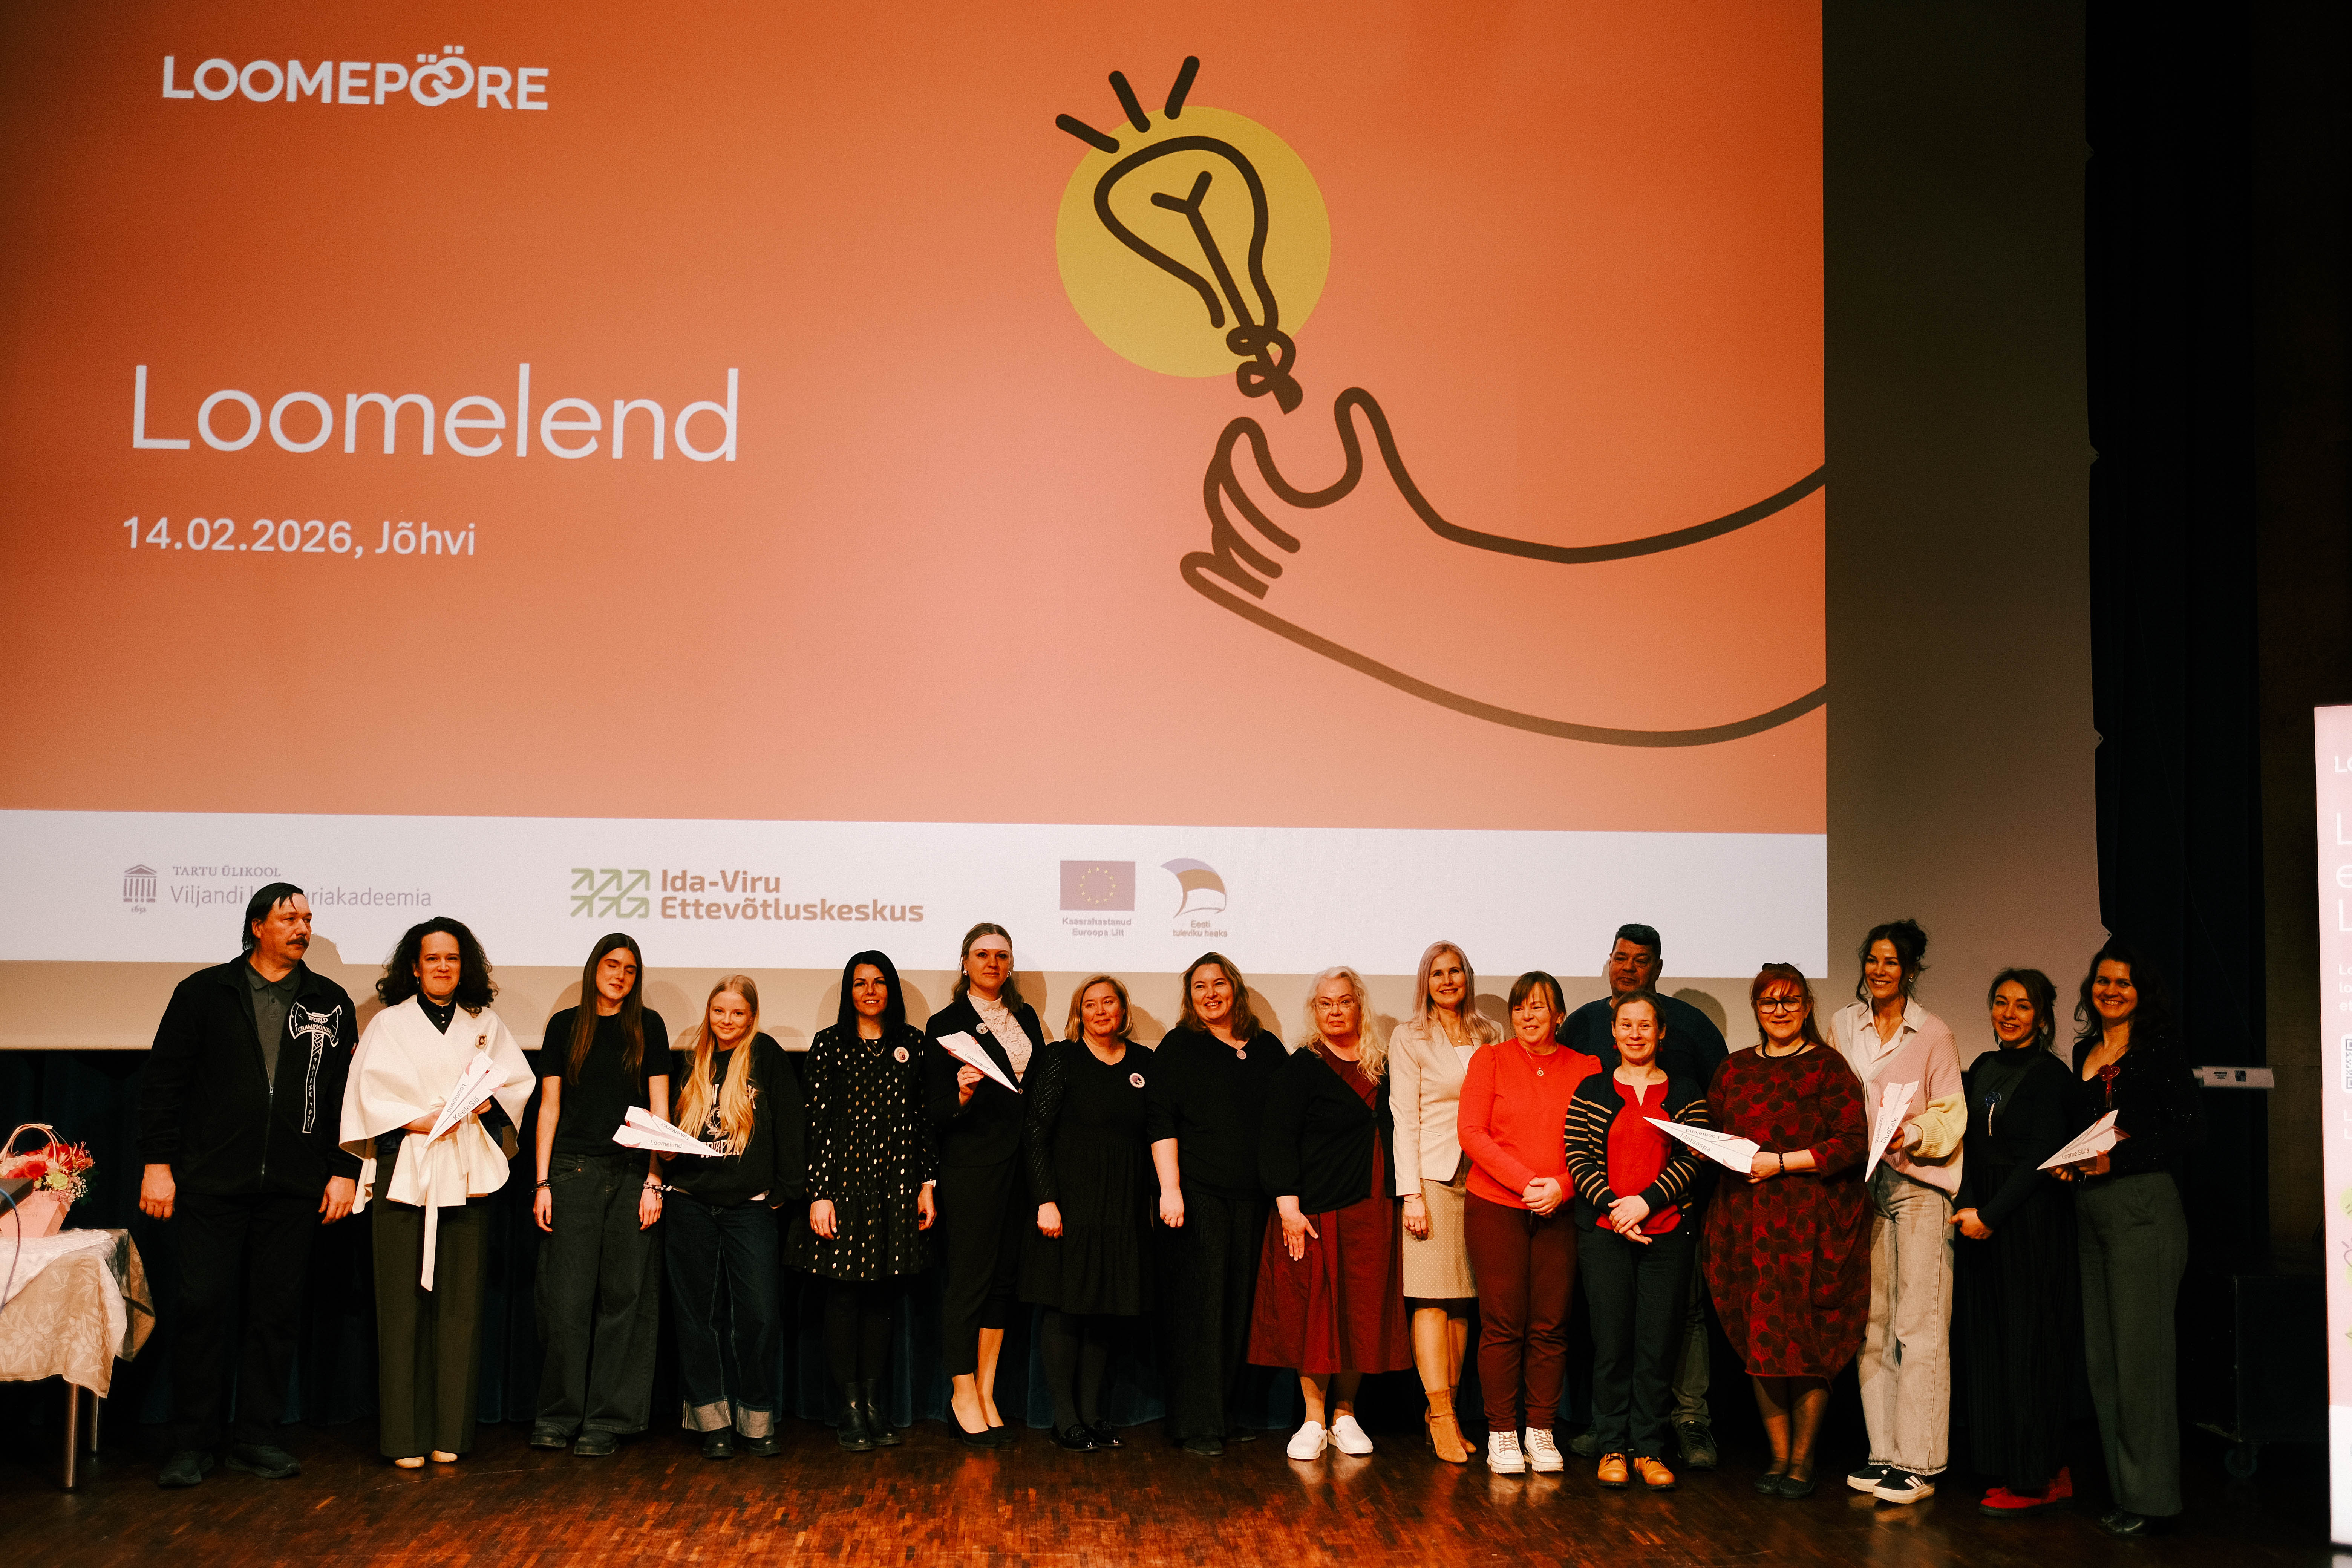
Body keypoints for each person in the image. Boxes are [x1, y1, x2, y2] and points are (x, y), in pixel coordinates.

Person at [138, 883, 360, 1488]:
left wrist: (346, 1170)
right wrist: (157, 1163)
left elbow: (347, 1098)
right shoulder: (204, 993)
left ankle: (257, 1437)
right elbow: (164, 1083)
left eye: (308, 918)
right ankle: (192, 1442)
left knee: (275, 1314)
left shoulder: (331, 1001)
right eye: (289, 918)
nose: (303, 928)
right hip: (212, 1182)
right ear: (257, 925)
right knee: (202, 1309)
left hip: (294, 1185)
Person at [339, 918, 534, 1468]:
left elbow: (515, 1085)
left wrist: (487, 1105)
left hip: (467, 1167)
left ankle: (451, 1430)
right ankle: (404, 1438)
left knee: (461, 1305)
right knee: (401, 1306)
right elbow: (365, 1093)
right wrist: (414, 1119)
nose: (443, 966)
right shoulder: (389, 1024)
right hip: (408, 1165)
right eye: (432, 958)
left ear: (463, 964)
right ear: (415, 966)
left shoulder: (484, 1023)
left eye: (452, 958)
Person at [1558, 923, 1731, 1467]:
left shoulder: (1685, 1090)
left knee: (1658, 1346)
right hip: (1605, 1230)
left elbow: (1694, 1155)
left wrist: (1647, 1203)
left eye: (1645, 1026)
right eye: (1627, 1026)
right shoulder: (1591, 1089)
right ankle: (1613, 1444)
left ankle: (1650, 1449)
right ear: (1613, 1033)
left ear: (1662, 1033)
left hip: (1668, 1230)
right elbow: (1578, 1156)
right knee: (1611, 1344)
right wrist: (1617, 1207)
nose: (1636, 1034)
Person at [2052, 939, 2202, 1538]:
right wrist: (2070, 1162)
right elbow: (2086, 1132)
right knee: (2104, 1360)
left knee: (2143, 1361)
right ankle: (2125, 1491)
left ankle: (2153, 1498)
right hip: (2091, 1210)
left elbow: (2191, 1131)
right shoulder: (2084, 1049)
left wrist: (2121, 1159)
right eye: (2103, 980)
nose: (2111, 990)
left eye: (2123, 982)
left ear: (2142, 993)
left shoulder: (2159, 1051)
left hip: (2144, 1207)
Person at [1703, 963, 1869, 1500]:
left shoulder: (1828, 1066)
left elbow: (1853, 1143)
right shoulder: (1733, 1069)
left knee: (1808, 1342)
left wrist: (1781, 1162)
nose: (1780, 1011)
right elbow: (1713, 1136)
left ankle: (1803, 1460)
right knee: (1762, 1340)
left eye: (1790, 1000)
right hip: (1747, 1224)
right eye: (1769, 1002)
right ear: (1756, 1009)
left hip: (1810, 1225)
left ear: (1807, 1007)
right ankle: (1777, 1457)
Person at [1827, 919, 1965, 1506]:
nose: (1879, 970)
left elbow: (1951, 1114)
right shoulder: (1843, 1025)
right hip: (1863, 1188)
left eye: (1891, 962)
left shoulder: (1933, 1033)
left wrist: (1912, 1133)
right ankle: (1885, 1451)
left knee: (1919, 1324)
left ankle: (1920, 1463)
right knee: (1875, 1325)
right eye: (1873, 960)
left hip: (1917, 1185)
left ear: (1909, 971)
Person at [1249, 966, 1412, 1460]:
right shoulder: (1302, 1067)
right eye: (1326, 1003)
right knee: (1316, 1314)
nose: (1336, 1010)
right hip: (1317, 1209)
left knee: (1360, 1309)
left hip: (1372, 1206)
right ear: (1314, 1010)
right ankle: (1313, 1419)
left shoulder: (1383, 1065)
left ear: (1359, 1006)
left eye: (1344, 1001)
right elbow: (1276, 1139)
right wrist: (1288, 1205)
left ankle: (1345, 1414)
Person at [530, 933, 670, 1456]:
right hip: (574, 1170)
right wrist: (542, 1182)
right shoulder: (565, 1026)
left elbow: (659, 1111)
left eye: (630, 970)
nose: (620, 976)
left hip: (632, 1173)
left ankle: (608, 1421)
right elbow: (549, 1108)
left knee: (625, 1300)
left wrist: (655, 1180)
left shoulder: (648, 1026)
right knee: (566, 1301)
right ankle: (558, 1415)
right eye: (612, 965)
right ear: (594, 968)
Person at [1455, 971, 1600, 1475]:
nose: (1527, 1015)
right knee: (1502, 1324)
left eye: (1539, 1006)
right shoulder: (1490, 1059)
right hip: (1497, 1205)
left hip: (1562, 1206)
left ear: (1560, 1015)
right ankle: (1502, 1432)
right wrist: (1526, 1183)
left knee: (1550, 1325)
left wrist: (1562, 1186)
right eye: (1519, 1006)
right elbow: (1472, 1133)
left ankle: (1540, 1428)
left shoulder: (1587, 1067)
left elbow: (1596, 1142)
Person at [792, 951, 936, 1452]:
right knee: (844, 1297)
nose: (870, 991)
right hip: (842, 1187)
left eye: (878, 982)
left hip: (896, 1187)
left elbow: (923, 1121)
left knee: (880, 1296)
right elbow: (813, 1124)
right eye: (860, 983)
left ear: (891, 989)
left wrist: (927, 1184)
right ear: (848, 991)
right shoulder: (829, 1044)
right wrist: (819, 1194)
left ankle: (873, 1406)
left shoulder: (912, 1044)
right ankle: (849, 1409)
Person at [1952, 968, 2082, 1517]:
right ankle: (2010, 1464)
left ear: (2043, 1017)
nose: (2009, 1014)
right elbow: (1970, 1143)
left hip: (2028, 1222)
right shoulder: (1983, 1065)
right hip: (1981, 1219)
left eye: (2023, 1005)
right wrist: (1969, 1209)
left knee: (2030, 1348)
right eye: (2001, 1002)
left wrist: (1992, 1215)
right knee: (1991, 1348)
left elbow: (2040, 1157)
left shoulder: (2051, 1075)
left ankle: (2036, 1478)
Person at [1147, 951, 1287, 1456]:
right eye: (1200, 986)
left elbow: (1285, 1121)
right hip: (1197, 1197)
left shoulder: (1267, 1048)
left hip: (1253, 1200)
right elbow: (1160, 1120)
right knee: (1199, 1311)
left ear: (1236, 989)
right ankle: (1195, 1423)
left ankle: (1224, 1415)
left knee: (1238, 1309)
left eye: (1219, 983)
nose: (1211, 994)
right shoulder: (1180, 1046)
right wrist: (1170, 1189)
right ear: (1191, 997)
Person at [662, 975, 806, 1459]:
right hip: (689, 1203)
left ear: (752, 1016)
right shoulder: (691, 1060)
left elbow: (791, 1123)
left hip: (749, 1207)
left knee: (759, 1315)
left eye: (738, 1012)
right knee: (698, 1317)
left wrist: (784, 1191)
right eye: (719, 1011)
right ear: (709, 1012)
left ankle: (757, 1420)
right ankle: (713, 1423)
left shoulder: (766, 1055)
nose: (727, 1020)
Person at [924, 922, 1048, 1446]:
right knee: (969, 1281)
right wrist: (961, 1095)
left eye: (1001, 955)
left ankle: (987, 1390)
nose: (992, 963)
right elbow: (931, 1110)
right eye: (982, 954)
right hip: (971, 1168)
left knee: (1003, 1282)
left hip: (1020, 1166)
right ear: (965, 962)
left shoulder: (1027, 1018)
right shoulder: (946, 1023)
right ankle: (961, 1393)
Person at [1020, 975, 1156, 1452]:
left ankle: (1093, 1414)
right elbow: (1035, 1133)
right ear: (1079, 1013)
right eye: (1090, 1004)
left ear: (1123, 1009)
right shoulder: (1063, 1058)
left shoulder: (1143, 1062)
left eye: (1109, 1002)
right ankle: (1065, 1419)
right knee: (1066, 1308)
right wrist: (1046, 1199)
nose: (1101, 1011)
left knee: (1104, 1309)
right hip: (1069, 1205)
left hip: (1122, 1208)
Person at [1386, 940, 1499, 1464]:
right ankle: (1439, 1415)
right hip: (1432, 1178)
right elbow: (1404, 1117)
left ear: (1467, 978)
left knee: (1462, 1301)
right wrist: (1410, 1193)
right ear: (1425, 982)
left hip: (1483, 1178)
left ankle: (1448, 1411)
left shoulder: (1490, 1034)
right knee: (1431, 1298)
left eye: (1456, 972)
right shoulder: (1409, 1036)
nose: (1448, 981)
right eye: (1438, 973)